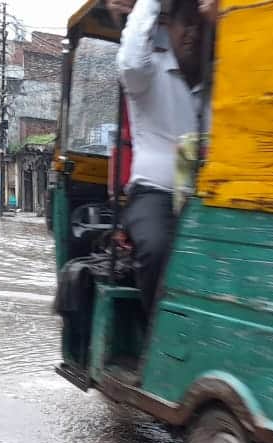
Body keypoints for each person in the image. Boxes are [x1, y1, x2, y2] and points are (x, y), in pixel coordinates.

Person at [108, 0, 209, 313]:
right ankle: (156, 339)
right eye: (184, 24)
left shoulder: (220, 82)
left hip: (208, 198)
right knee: (157, 247)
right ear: (169, 27)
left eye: (199, 25)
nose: (191, 33)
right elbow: (129, 63)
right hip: (154, 194)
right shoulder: (148, 73)